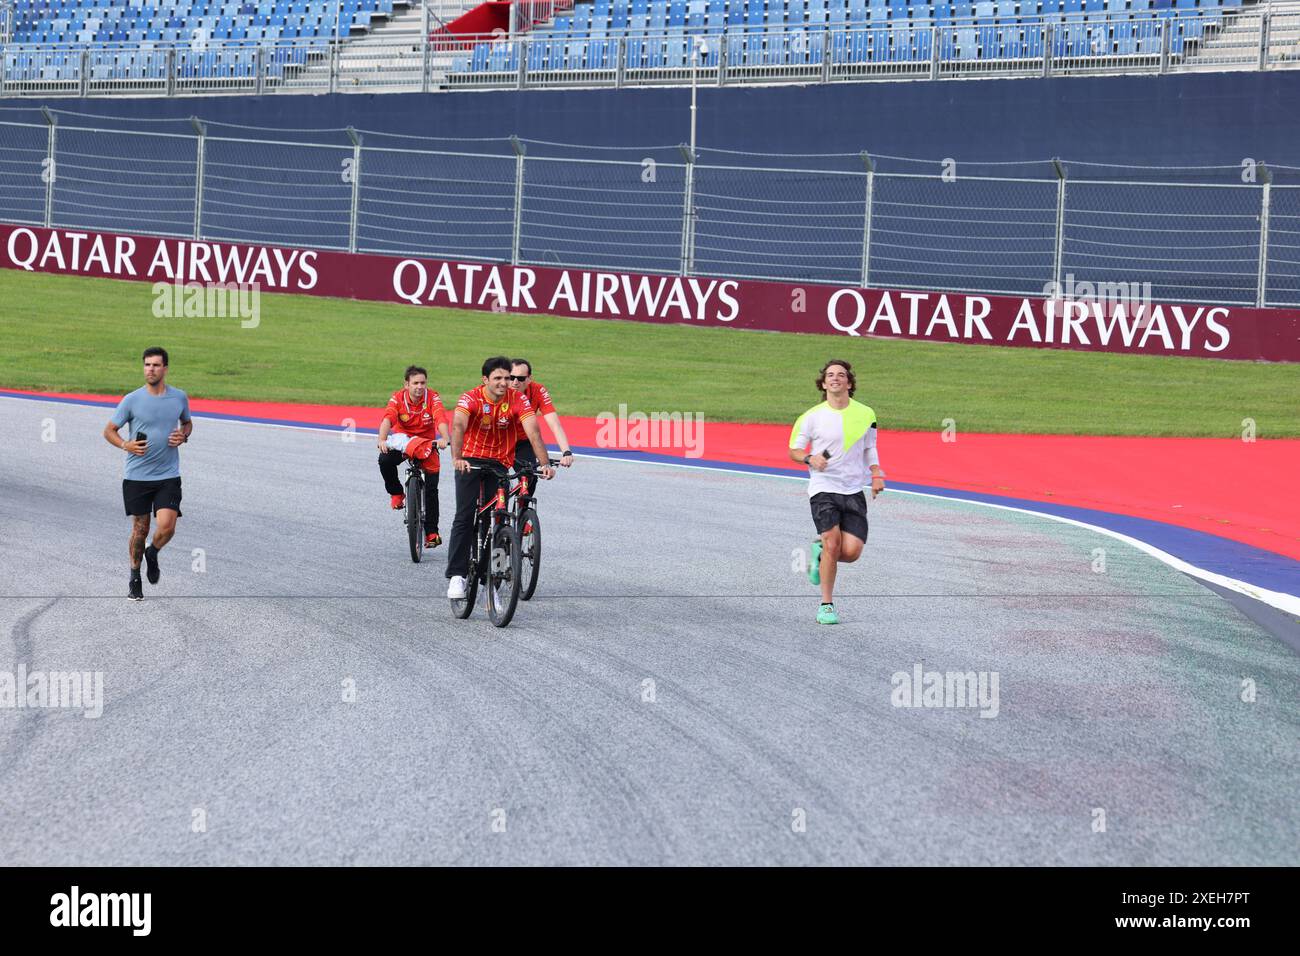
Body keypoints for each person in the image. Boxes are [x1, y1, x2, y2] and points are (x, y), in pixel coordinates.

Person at [445, 356, 555, 600]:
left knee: (497, 522)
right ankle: (457, 575)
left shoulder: (518, 399)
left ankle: (491, 579)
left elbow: (533, 431)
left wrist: (545, 464)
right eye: (498, 378)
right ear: (485, 380)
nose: (504, 383)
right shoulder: (470, 398)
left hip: (499, 463)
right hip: (470, 461)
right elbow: (458, 427)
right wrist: (457, 457)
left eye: (507, 378)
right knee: (464, 516)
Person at [787, 359, 886, 625]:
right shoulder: (811, 417)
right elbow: (794, 451)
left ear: (849, 383)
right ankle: (826, 605)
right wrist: (810, 458)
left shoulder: (866, 413)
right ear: (823, 383)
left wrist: (876, 474)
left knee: (851, 552)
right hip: (823, 489)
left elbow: (870, 448)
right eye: (830, 375)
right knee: (833, 542)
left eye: (841, 375)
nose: (835, 378)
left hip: (853, 489)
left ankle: (820, 555)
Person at [100, 347, 193, 602]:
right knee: (140, 529)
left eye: (155, 365)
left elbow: (187, 422)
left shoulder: (179, 398)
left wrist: (183, 435)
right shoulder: (132, 400)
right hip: (137, 476)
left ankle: (153, 552)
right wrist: (125, 445)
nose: (150, 369)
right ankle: (134, 576)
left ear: (165, 368)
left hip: (168, 474)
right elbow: (109, 430)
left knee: (167, 526)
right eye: (147, 365)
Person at [377, 365, 449, 549]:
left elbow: (440, 417)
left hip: (426, 443)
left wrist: (444, 438)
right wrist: (382, 439)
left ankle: (432, 532)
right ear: (406, 384)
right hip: (405, 442)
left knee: (432, 489)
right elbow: (388, 418)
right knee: (384, 460)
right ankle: (396, 493)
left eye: (422, 383)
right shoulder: (398, 398)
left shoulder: (432, 397)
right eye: (415, 383)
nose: (419, 387)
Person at [508, 359, 574, 472]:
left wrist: (566, 452)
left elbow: (554, 424)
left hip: (524, 440)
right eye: (511, 377)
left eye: (520, 378)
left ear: (529, 379)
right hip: (499, 440)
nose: (515, 382)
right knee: (496, 480)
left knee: (530, 478)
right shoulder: (497, 391)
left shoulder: (538, 390)